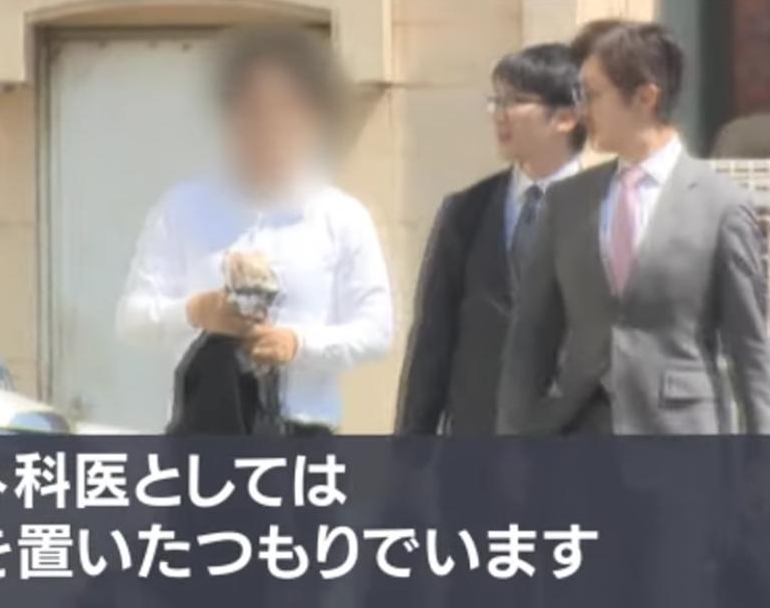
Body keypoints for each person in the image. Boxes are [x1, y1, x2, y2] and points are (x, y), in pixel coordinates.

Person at [496, 19, 770, 435]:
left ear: (646, 97)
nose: (581, 111)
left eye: (592, 95)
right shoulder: (567, 202)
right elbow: (529, 341)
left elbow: (751, 352)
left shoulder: (721, 206)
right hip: (576, 437)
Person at [115, 24, 393, 436]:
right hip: (204, 431)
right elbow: (133, 318)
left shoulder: (340, 217)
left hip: (300, 436)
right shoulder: (183, 209)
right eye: (253, 109)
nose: (268, 126)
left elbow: (376, 330)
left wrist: (297, 344)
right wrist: (196, 312)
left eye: (285, 109)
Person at [396, 43, 586, 436]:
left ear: (566, 117)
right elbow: (433, 338)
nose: (500, 114)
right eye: (496, 101)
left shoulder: (609, 211)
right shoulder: (467, 210)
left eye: (515, 101)